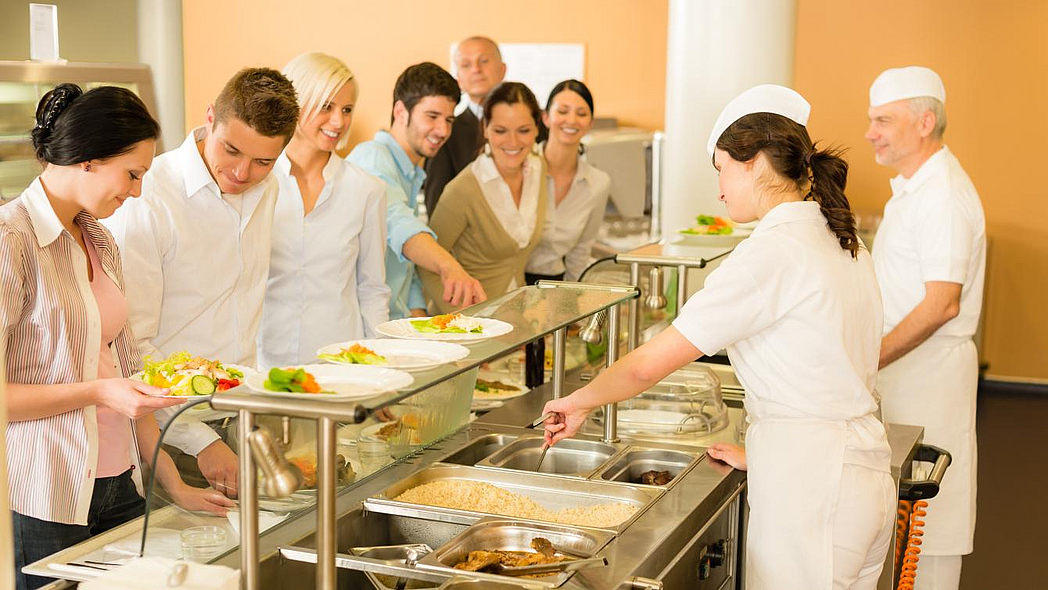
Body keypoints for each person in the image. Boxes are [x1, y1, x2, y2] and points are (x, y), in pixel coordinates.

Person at [542, 85, 895, 589]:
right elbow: (828, 368)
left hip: (813, 492)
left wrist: (579, 402)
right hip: (858, 477)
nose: (721, 188)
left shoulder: (770, 252)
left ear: (752, 163)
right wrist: (766, 453)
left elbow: (649, 364)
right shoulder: (841, 235)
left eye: (721, 168)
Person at [2, 84, 233, 590]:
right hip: (43, 495)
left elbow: (126, 375)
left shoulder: (100, 239)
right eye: (133, 174)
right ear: (88, 158)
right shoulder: (11, 239)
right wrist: (98, 392)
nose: (137, 191)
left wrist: (172, 484)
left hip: (119, 485)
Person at [103, 68, 299, 499]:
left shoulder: (268, 190)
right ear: (210, 117)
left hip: (241, 417)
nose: (243, 172)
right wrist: (200, 440)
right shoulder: (147, 197)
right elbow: (130, 343)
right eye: (231, 150)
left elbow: (244, 306)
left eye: (264, 161)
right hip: (170, 435)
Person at [865, 66, 984, 590]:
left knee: (926, 532)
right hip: (905, 376)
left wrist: (867, 359)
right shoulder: (913, 190)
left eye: (883, 120)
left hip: (929, 377)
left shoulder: (942, 196)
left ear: (924, 122)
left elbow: (941, 305)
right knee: (902, 518)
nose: (871, 132)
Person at [259, 53, 389, 367]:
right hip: (260, 364)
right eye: (326, 106)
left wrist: (383, 368)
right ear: (294, 104)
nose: (339, 122)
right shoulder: (256, 183)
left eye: (346, 109)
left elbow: (372, 289)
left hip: (339, 366)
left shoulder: (367, 190)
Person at [347, 62, 485, 320]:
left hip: (393, 326)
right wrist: (449, 267)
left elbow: (403, 270)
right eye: (432, 117)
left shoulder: (410, 172)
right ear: (401, 112)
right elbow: (398, 225)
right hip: (362, 331)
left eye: (449, 120)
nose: (443, 130)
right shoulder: (373, 158)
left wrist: (424, 330)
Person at [420, 82, 548, 314]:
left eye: (523, 130)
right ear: (485, 128)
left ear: (537, 128)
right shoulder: (464, 189)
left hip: (517, 319)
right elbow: (426, 266)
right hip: (469, 326)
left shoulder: (538, 171)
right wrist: (466, 320)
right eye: (500, 131)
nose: (513, 142)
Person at [525, 79, 611, 283]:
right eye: (562, 111)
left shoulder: (598, 183)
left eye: (581, 114)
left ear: (590, 123)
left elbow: (580, 254)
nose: (571, 120)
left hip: (557, 284)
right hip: (508, 282)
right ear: (545, 117)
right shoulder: (523, 167)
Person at [423, 36, 507, 215]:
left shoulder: (531, 124)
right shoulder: (445, 133)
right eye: (466, 65)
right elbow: (437, 205)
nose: (476, 69)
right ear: (458, 79)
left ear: (502, 70)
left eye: (484, 61)